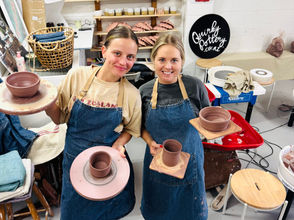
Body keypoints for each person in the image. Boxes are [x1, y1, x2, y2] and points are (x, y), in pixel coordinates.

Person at [45, 26, 142, 220]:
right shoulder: (77, 76)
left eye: (130, 56)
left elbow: (131, 129)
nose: (124, 62)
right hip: (75, 160)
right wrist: (46, 104)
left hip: (109, 165)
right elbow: (59, 118)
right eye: (117, 53)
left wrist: (119, 144)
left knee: (107, 213)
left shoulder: (132, 94)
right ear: (104, 51)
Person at [139, 33, 210, 220]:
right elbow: (139, 127)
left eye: (174, 60)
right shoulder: (145, 91)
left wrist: (215, 128)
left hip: (190, 156)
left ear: (182, 61)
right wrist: (149, 142)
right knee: (159, 207)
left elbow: (207, 117)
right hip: (157, 159)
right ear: (153, 60)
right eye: (161, 59)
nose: (168, 66)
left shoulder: (194, 86)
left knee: (189, 209)